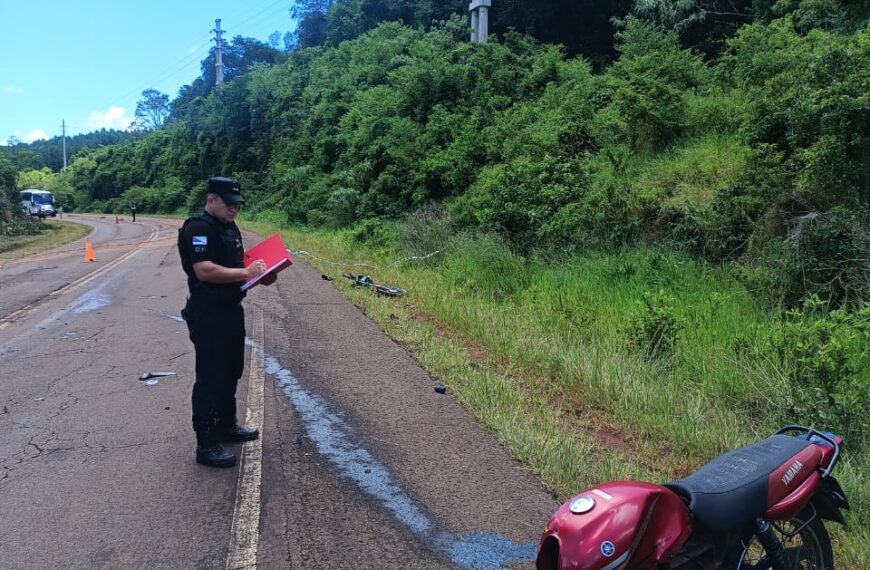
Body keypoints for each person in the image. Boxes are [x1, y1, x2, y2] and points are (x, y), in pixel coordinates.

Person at [177, 176, 277, 467]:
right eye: (229, 204)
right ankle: (206, 444)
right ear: (211, 200)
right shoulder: (198, 228)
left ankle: (226, 426)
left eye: (237, 205)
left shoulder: (229, 227)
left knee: (232, 370)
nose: (234, 209)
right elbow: (205, 271)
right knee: (210, 377)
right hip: (208, 314)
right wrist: (247, 273)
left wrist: (260, 276)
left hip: (231, 310)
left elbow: (236, 269)